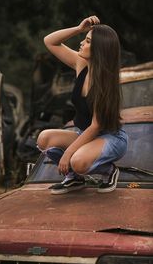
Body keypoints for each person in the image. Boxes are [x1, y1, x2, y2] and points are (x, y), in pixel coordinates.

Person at [37, 15, 128, 194]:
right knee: (44, 138)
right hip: (85, 134)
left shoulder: (105, 83)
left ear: (99, 50)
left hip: (111, 138)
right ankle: (75, 178)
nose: (81, 43)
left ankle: (109, 171)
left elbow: (96, 126)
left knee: (77, 161)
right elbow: (50, 41)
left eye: (87, 41)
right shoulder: (82, 64)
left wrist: (68, 153)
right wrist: (79, 28)